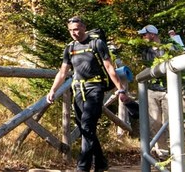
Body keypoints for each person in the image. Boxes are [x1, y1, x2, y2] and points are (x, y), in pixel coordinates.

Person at [47, 16, 130, 172]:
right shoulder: (70, 48)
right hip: (78, 89)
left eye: (77, 29)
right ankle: (101, 162)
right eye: (71, 30)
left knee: (87, 125)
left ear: (84, 28)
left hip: (95, 88)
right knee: (85, 128)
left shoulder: (97, 44)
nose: (74, 33)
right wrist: (52, 90)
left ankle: (82, 167)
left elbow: (109, 68)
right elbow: (63, 72)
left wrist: (120, 89)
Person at [137, 24, 170, 157]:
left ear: (152, 34)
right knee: (155, 122)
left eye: (145, 34)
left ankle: (177, 152)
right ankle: (162, 153)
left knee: (171, 122)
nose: (143, 37)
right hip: (151, 90)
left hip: (168, 89)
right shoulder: (145, 51)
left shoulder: (168, 48)